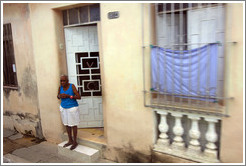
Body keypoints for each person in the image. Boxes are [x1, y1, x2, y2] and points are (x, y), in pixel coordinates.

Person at [57, 75, 81, 150]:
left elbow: (79, 97)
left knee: (73, 124)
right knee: (67, 124)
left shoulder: (72, 86)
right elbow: (57, 96)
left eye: (64, 81)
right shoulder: (60, 87)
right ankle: (70, 140)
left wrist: (69, 96)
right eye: (61, 81)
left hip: (72, 108)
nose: (62, 82)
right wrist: (60, 95)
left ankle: (75, 142)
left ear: (67, 81)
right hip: (63, 108)